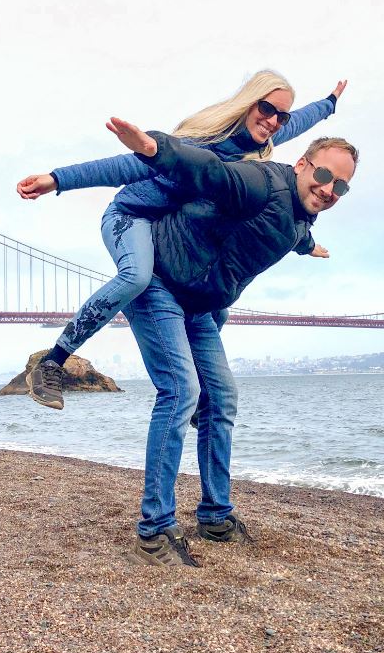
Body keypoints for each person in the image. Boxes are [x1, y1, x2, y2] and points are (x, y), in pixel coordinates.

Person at [103, 117, 358, 567]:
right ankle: (154, 530)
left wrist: (309, 246)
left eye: (341, 188)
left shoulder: (302, 215)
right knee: (182, 392)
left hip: (199, 302)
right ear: (302, 165)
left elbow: (296, 227)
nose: (328, 190)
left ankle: (215, 516)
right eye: (323, 176)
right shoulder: (262, 181)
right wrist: (153, 148)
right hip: (160, 282)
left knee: (221, 400)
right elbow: (209, 170)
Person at [16, 72, 347, 410]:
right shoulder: (205, 143)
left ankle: (203, 397)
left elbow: (300, 131)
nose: (274, 121)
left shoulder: (263, 146)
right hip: (133, 216)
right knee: (137, 275)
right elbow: (126, 166)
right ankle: (53, 362)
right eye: (267, 108)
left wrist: (329, 104)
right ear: (250, 103)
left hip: (168, 229)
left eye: (282, 115)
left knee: (216, 310)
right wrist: (56, 180)